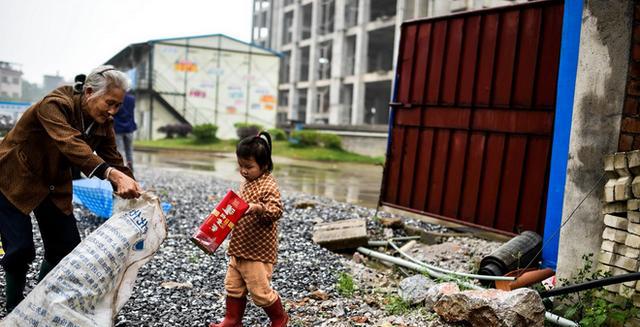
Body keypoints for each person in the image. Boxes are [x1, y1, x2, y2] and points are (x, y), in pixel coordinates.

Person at [0, 65, 142, 312]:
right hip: (14, 177)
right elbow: (71, 144)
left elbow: (114, 159)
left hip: (53, 183)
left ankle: (35, 303)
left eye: (118, 106)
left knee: (65, 249)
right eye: (110, 103)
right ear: (89, 92)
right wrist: (111, 174)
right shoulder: (55, 105)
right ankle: (13, 307)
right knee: (20, 249)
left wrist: (137, 194)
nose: (113, 111)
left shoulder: (102, 123)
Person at [210, 131, 288, 327]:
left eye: (249, 167)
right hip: (239, 246)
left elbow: (276, 210)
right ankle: (232, 319)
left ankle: (280, 319)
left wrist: (257, 208)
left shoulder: (268, 185)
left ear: (264, 165)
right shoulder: (247, 181)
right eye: (241, 166)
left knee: (260, 291)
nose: (244, 171)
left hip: (257, 251)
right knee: (233, 286)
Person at [113, 89, 137, 171]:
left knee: (119, 150)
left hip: (118, 128)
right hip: (129, 128)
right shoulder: (132, 99)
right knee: (129, 151)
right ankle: (130, 169)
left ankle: (121, 169)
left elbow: (114, 112)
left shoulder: (117, 98)